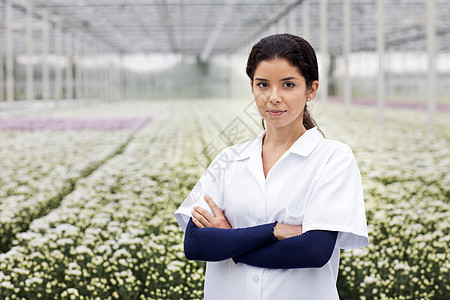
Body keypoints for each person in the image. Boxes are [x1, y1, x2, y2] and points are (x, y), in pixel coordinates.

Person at [174, 33, 369, 300]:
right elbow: (196, 243)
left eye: (288, 85)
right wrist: (275, 231)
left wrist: (230, 242)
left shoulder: (333, 158)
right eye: (263, 84)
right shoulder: (228, 160)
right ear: (252, 87)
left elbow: (314, 251)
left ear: (311, 90)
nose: (273, 97)